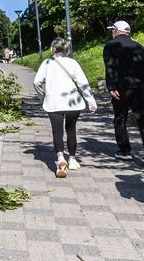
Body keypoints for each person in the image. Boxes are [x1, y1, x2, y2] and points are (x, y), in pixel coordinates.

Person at [34, 38, 98, 178]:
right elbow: (83, 83)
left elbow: (36, 82)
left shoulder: (47, 63)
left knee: (57, 131)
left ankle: (60, 157)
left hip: (54, 103)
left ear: (54, 49)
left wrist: (43, 96)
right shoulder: (73, 63)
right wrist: (91, 101)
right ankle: (73, 160)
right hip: (73, 103)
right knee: (71, 130)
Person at [102, 20, 144, 169]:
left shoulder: (111, 46)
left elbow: (110, 67)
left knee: (120, 118)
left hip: (122, 89)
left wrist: (111, 86)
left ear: (115, 30)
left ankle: (125, 151)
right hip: (141, 89)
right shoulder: (139, 47)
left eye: (112, 30)